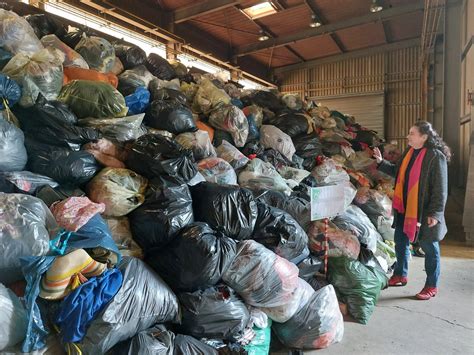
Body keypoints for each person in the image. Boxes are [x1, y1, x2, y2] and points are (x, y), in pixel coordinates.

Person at [373, 121, 450, 300]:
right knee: (400, 240)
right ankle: (400, 274)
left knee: (429, 247)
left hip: (424, 211)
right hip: (405, 208)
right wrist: (380, 163)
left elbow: (441, 189)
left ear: (424, 137)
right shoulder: (409, 153)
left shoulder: (435, 156)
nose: (408, 136)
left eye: (412, 133)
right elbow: (398, 172)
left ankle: (431, 285)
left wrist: (435, 214)